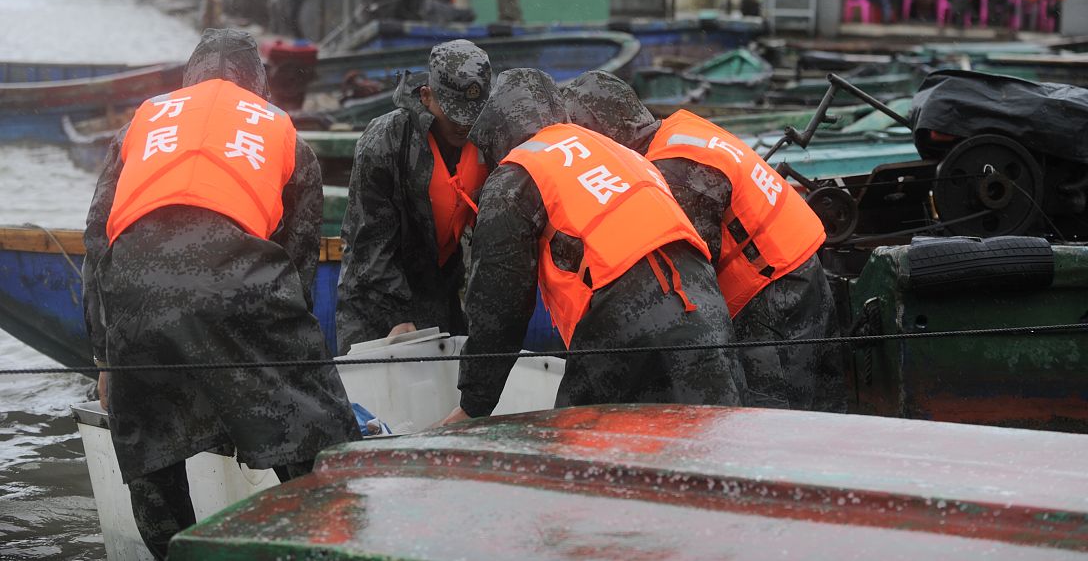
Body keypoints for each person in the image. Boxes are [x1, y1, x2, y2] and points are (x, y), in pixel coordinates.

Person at [82, 28, 359, 559]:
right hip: (241, 282)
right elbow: (296, 267)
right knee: (318, 441)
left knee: (153, 455)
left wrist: (104, 357)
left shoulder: (140, 123)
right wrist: (272, 374)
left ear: (189, 78)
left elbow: (98, 241)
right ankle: (332, 544)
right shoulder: (283, 133)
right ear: (259, 86)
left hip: (133, 293)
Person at [439, 68, 745, 424]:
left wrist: (474, 403)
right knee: (713, 441)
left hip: (623, 319)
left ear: (496, 129)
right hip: (707, 310)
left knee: (584, 449)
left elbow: (497, 304)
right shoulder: (614, 149)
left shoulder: (516, 176)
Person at [562, 71, 847, 412]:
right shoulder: (682, 130)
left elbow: (693, 278)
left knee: (775, 422)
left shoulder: (672, 172)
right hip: (803, 267)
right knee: (824, 412)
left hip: (772, 295)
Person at [336, 40, 491, 350]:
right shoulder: (385, 142)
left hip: (440, 291)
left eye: (473, 113)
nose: (464, 123)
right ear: (426, 96)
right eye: (454, 113)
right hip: (374, 300)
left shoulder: (489, 140)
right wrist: (397, 314)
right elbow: (370, 246)